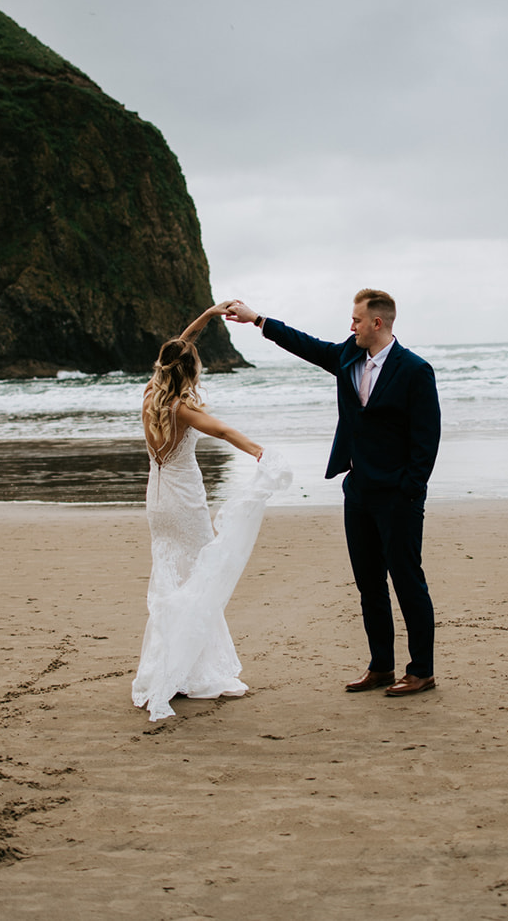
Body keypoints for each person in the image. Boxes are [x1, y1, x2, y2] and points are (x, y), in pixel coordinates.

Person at [225, 289, 441, 696]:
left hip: (398, 497)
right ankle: (381, 667)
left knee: (408, 582)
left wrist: (410, 489)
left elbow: (427, 439)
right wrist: (257, 320)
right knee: (369, 584)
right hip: (357, 491)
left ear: (377, 323)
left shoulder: (414, 370)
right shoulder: (347, 357)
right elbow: (306, 345)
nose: (351, 326)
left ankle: (421, 670)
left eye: (357, 320)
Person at [130, 303, 290, 722]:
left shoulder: (151, 394)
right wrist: (260, 452)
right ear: (189, 372)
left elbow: (179, 347)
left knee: (170, 582)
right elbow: (221, 429)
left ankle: (170, 667)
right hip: (185, 503)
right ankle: (187, 672)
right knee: (200, 579)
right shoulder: (183, 409)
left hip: (158, 502)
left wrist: (209, 315)